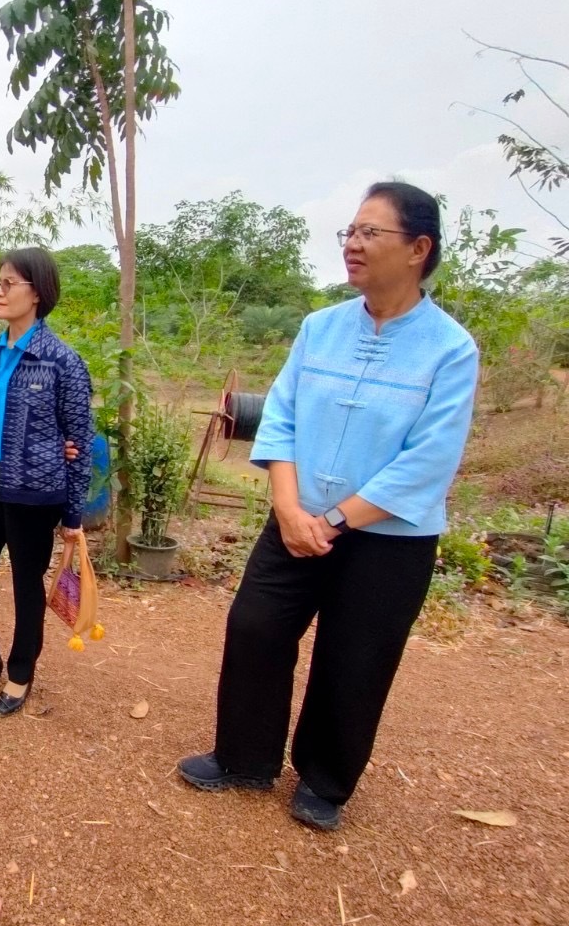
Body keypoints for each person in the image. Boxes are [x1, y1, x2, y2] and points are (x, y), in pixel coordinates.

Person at [177, 182, 479, 831]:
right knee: (256, 627)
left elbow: (428, 460)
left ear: (418, 248)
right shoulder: (320, 328)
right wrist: (289, 507)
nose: (353, 243)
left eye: (372, 233)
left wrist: (337, 521)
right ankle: (244, 758)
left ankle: (324, 779)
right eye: (350, 230)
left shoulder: (451, 349)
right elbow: (279, 417)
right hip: (295, 518)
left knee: (356, 655)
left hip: (387, 540)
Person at [0, 247, 94, 717]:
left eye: (9, 284)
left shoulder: (62, 361)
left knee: (27, 584)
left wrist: (72, 515)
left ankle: (21, 672)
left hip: (34, 491)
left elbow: (80, 440)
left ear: (38, 292)